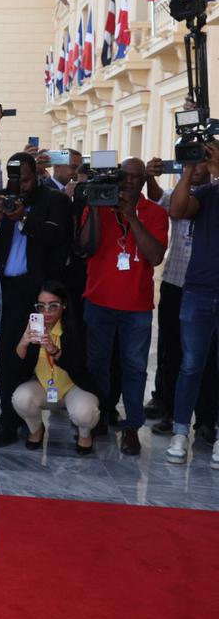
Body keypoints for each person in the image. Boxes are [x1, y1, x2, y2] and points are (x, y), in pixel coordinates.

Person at [76, 157, 168, 456]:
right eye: (123, 176)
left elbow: (154, 256)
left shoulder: (153, 212)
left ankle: (131, 427)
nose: (128, 182)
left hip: (136, 306)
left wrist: (131, 216)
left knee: (135, 368)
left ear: (143, 181)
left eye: (134, 178)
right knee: (97, 365)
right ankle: (98, 416)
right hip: (99, 300)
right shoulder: (98, 206)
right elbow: (86, 246)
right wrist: (95, 208)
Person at [0, 152, 72, 448]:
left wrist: (24, 216)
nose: (19, 187)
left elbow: (57, 238)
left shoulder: (54, 201)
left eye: (24, 179)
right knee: (8, 357)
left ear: (36, 175)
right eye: (14, 180)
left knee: (36, 356)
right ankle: (8, 421)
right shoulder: (0, 197)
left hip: (38, 295)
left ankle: (30, 418)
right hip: (7, 291)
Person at [165, 148, 219, 467]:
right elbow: (178, 208)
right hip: (198, 292)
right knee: (191, 365)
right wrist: (187, 170)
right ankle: (180, 432)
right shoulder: (206, 194)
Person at [11, 281, 101, 454]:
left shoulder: (77, 327)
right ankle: (36, 429)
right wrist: (23, 343)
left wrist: (54, 350)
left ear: (64, 305)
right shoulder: (29, 328)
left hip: (73, 387)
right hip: (44, 386)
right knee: (21, 398)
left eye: (53, 306)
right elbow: (14, 371)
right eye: (41, 306)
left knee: (85, 412)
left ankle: (85, 434)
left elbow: (79, 366)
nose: (46, 312)